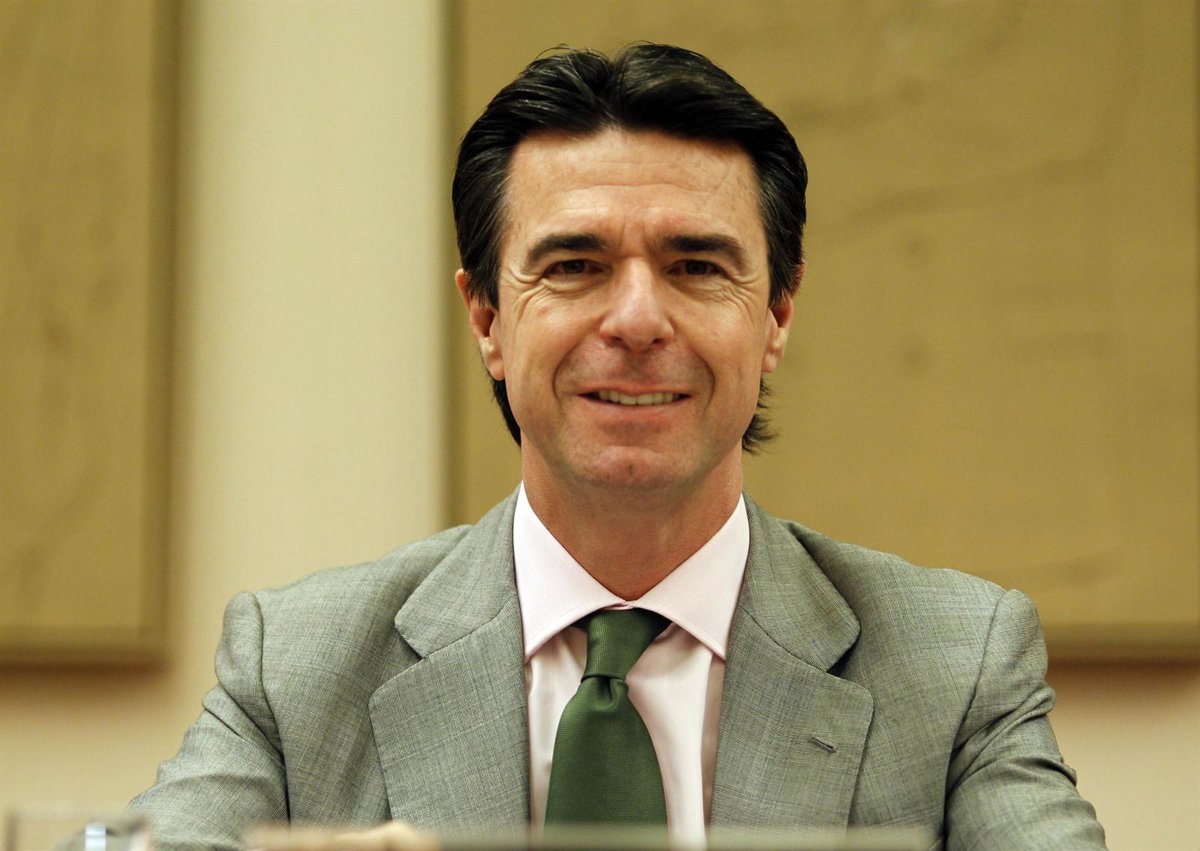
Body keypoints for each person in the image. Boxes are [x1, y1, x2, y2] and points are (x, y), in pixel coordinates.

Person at [130, 44, 1106, 850]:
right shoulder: (298, 665)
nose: (638, 319)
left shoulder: (955, 662)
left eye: (696, 265)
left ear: (777, 313)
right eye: (575, 264)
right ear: (486, 317)